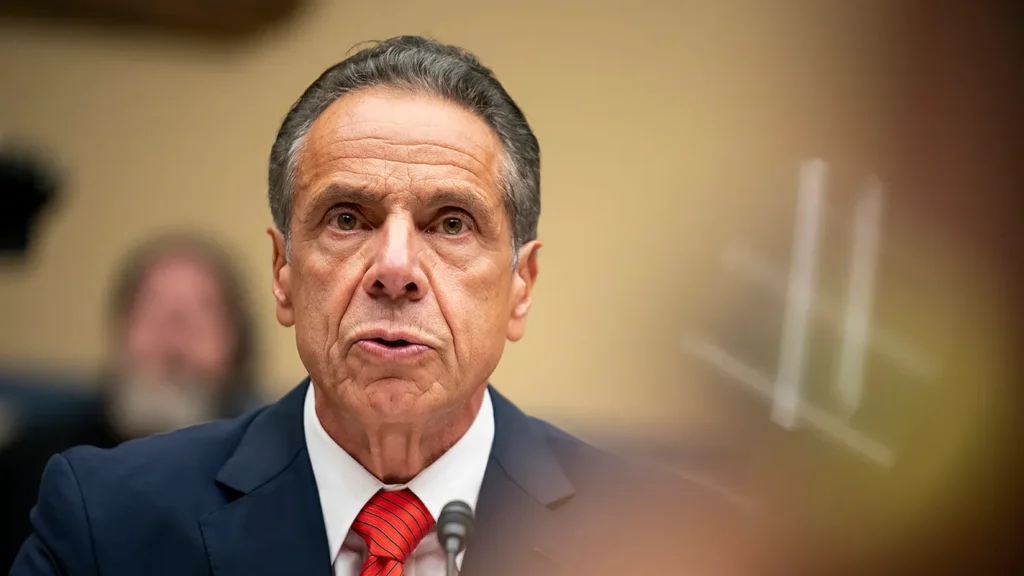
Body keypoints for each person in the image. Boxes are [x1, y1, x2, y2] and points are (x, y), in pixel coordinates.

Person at [11, 36, 762, 575]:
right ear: (282, 272)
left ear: (520, 287)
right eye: (347, 218)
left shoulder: (670, 544)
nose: (396, 269)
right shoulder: (105, 524)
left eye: (451, 223)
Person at [1, 232, 260, 569]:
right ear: (119, 331)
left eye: (203, 310)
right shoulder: (33, 467)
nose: (174, 329)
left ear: (235, 351)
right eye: (152, 304)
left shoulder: (270, 486)